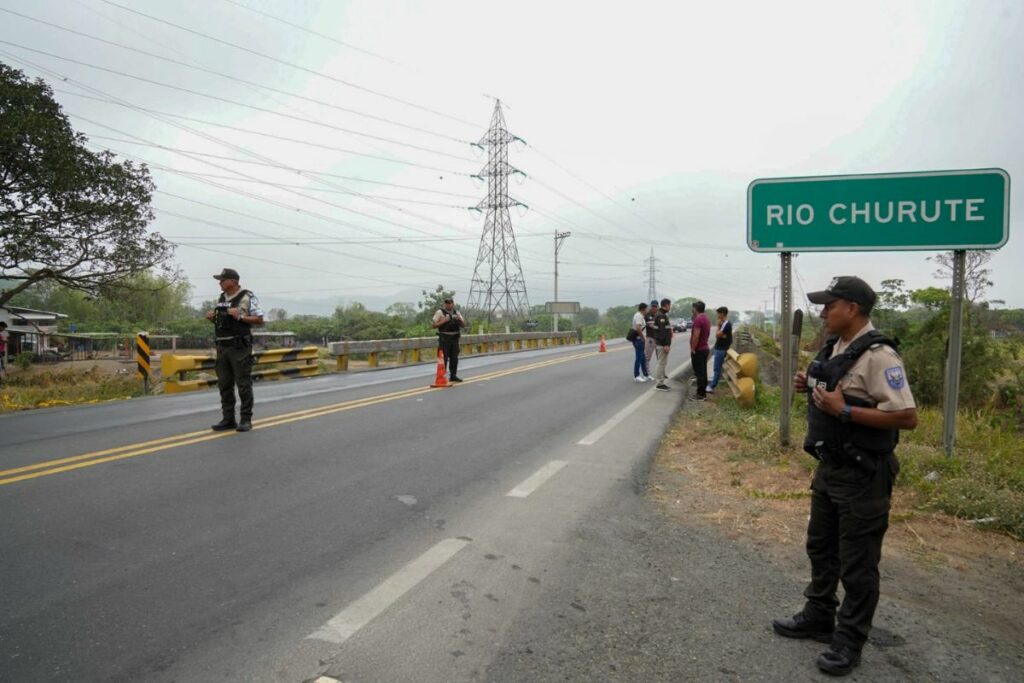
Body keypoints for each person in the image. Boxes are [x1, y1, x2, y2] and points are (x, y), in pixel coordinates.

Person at [772, 276, 917, 677]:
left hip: (863, 475)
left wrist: (846, 412)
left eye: (829, 305)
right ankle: (818, 615)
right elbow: (837, 394)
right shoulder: (837, 349)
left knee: (858, 564)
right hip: (830, 469)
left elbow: (907, 417)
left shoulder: (880, 356)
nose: (823, 312)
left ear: (851, 309)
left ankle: (849, 641)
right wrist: (812, 387)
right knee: (821, 547)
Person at [205, 268, 265, 432]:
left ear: (233, 281)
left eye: (223, 280)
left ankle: (246, 419)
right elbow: (224, 322)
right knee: (224, 384)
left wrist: (240, 316)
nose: (220, 283)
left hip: (239, 347)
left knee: (243, 384)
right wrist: (213, 318)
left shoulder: (248, 296)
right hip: (222, 347)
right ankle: (228, 419)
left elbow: (260, 319)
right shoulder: (222, 298)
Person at [432, 297, 467, 382]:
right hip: (444, 339)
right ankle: (443, 376)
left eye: (450, 303)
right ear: (445, 304)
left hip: (455, 339)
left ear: (453, 304)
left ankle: (453, 376)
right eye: (447, 303)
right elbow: (433, 325)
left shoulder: (457, 312)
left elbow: (463, 325)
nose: (449, 305)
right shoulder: (440, 312)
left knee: (454, 358)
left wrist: (459, 319)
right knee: (444, 359)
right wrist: (444, 320)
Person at [707, 306, 733, 394]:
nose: (717, 315)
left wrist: (718, 326)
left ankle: (711, 386)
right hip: (720, 348)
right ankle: (712, 385)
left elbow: (717, 335)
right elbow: (721, 335)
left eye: (718, 313)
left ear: (722, 314)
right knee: (717, 368)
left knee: (717, 368)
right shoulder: (724, 323)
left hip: (721, 349)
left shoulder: (726, 324)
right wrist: (721, 335)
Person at [689, 301, 711, 401]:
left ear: (695, 309)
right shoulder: (706, 318)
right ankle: (703, 393)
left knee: (699, 373)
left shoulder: (698, 319)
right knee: (703, 372)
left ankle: (700, 395)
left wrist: (693, 348)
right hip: (705, 348)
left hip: (699, 349)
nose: (692, 310)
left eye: (693, 308)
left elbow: (696, 335)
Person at [652, 298, 673, 391]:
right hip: (662, 344)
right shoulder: (661, 316)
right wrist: (665, 344)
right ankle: (659, 384)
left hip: (660, 343)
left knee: (662, 362)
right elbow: (662, 332)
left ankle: (660, 381)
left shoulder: (660, 314)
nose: (670, 307)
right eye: (669, 305)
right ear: (666, 305)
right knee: (661, 363)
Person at [629, 303, 651, 382]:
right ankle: (636, 375)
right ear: (643, 309)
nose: (648, 310)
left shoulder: (640, 316)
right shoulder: (638, 316)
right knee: (639, 358)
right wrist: (643, 338)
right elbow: (638, 328)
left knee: (642, 358)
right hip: (639, 340)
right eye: (647, 309)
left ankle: (646, 375)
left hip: (640, 339)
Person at [644, 299, 659, 375]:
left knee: (660, 356)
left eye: (655, 306)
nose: (654, 308)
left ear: (657, 307)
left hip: (659, 339)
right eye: (652, 306)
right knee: (647, 356)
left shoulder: (659, 314)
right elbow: (651, 325)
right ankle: (647, 372)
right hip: (650, 338)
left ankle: (661, 373)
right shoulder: (647, 315)